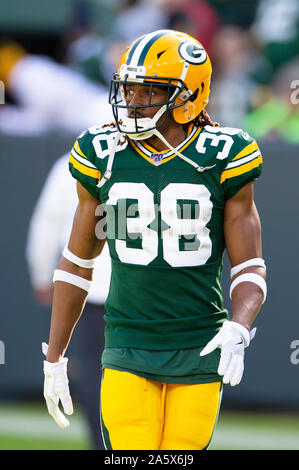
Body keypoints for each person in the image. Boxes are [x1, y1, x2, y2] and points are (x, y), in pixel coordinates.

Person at [42, 29, 267, 450]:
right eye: (128, 89)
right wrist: (54, 357)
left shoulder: (225, 154)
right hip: (127, 343)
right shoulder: (102, 152)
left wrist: (239, 326)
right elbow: (76, 263)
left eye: (149, 91)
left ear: (188, 96)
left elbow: (250, 265)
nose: (132, 101)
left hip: (200, 345)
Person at [26, 153, 111, 450]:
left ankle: (105, 446)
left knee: (95, 372)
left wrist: (40, 274)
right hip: (128, 289)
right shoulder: (163, 159)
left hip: (94, 288)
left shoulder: (71, 163)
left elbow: (46, 223)